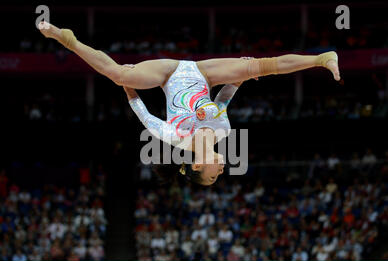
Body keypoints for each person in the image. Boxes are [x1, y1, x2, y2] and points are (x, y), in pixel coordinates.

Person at [39, 21, 341, 185]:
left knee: (118, 73)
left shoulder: (174, 137)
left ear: (197, 164)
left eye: (213, 173)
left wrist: (127, 85)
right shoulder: (223, 133)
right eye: (220, 174)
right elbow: (222, 102)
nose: (222, 169)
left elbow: (143, 113)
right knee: (260, 66)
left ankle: (68, 39)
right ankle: (321, 58)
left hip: (167, 74)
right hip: (204, 75)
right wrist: (240, 77)